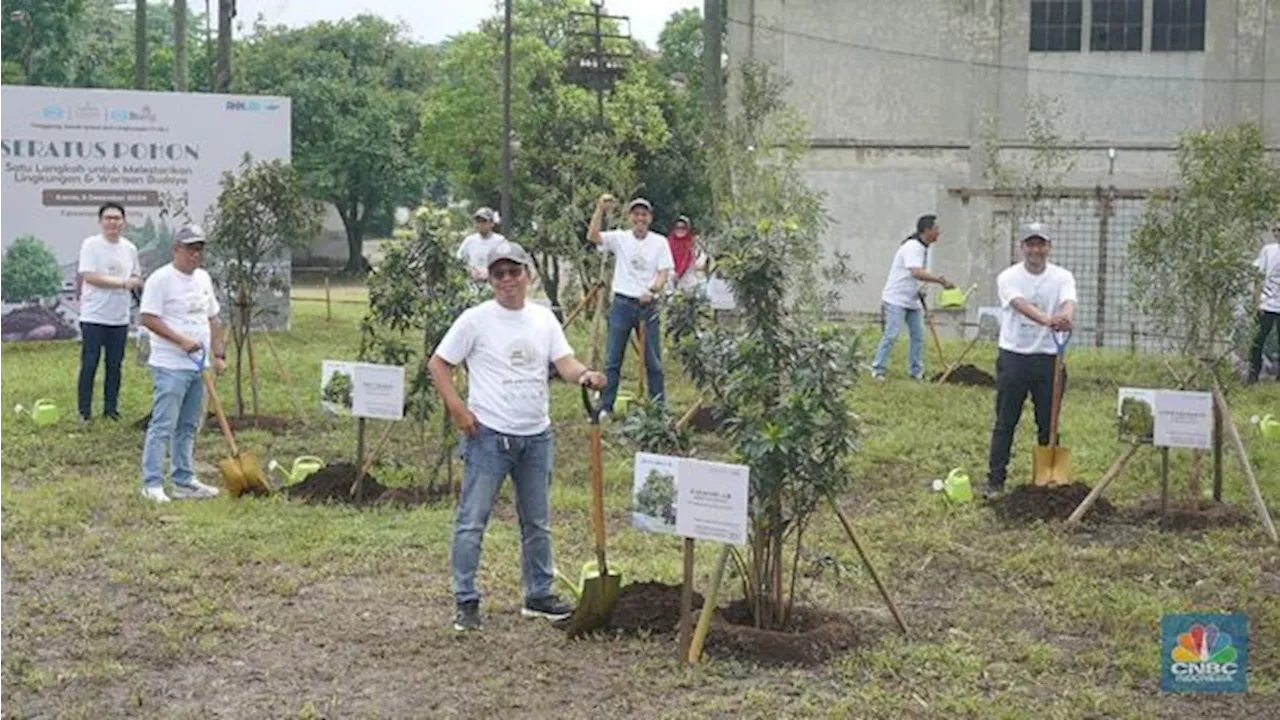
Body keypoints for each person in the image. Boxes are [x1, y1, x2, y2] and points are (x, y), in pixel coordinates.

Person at [428, 240, 606, 632]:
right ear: (490, 280)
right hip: (488, 436)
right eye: (499, 274)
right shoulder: (475, 320)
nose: (508, 280)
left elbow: (564, 361)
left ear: (528, 274)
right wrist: (458, 410)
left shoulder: (543, 319)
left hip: (535, 437)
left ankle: (539, 594)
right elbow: (439, 363)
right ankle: (466, 600)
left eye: (514, 272)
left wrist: (585, 374)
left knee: (537, 522)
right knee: (472, 520)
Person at [984, 223, 1077, 498]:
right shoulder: (1008, 277)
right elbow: (1020, 304)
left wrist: (1067, 317)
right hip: (1014, 357)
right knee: (1005, 421)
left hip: (1049, 358)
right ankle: (995, 481)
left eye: (1041, 244)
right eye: (1030, 244)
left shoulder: (1061, 276)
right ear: (1022, 247)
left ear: (1048, 247)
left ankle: (1047, 483)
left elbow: (1068, 301)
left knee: (1049, 423)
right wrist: (1048, 320)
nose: (1036, 250)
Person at [137, 225, 225, 503]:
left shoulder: (203, 278)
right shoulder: (160, 280)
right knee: (163, 424)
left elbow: (213, 317)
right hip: (170, 365)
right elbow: (148, 318)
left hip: (199, 365)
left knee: (188, 425)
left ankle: (184, 480)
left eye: (199, 249)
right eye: (189, 248)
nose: (195, 254)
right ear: (176, 249)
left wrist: (219, 354)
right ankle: (151, 483)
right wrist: (180, 340)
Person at [587, 195, 674, 415]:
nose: (640, 218)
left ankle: (658, 408)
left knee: (652, 361)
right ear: (629, 217)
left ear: (650, 218)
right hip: (622, 304)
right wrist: (599, 209)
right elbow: (593, 236)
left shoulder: (659, 242)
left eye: (644, 214)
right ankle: (606, 406)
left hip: (647, 306)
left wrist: (652, 290)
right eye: (636, 214)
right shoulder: (620, 238)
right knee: (613, 359)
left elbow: (664, 273)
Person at [76, 202, 142, 422]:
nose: (113, 222)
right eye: (108, 218)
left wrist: (131, 282)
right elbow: (89, 276)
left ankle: (111, 409)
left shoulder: (129, 248)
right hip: (94, 315)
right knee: (90, 363)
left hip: (119, 317)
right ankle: (84, 411)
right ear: (100, 222)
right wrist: (122, 283)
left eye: (117, 218)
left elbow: (136, 277)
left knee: (115, 365)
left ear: (124, 222)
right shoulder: (91, 245)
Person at [870, 214, 953, 380]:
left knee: (918, 336)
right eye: (936, 229)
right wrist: (939, 281)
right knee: (892, 333)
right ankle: (877, 369)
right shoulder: (912, 247)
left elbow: (918, 274)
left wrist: (923, 289)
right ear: (927, 230)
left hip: (912, 300)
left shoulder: (925, 249)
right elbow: (916, 272)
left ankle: (916, 372)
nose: (939, 232)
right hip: (896, 298)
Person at [1248, 223, 1280, 382]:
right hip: (1267, 303)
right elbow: (1258, 277)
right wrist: (1256, 302)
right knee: (1258, 339)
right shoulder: (1268, 250)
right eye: (1275, 230)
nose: (1276, 233)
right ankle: (1253, 374)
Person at [456, 207, 508, 285]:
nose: (480, 224)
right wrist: (470, 270)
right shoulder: (469, 240)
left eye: (484, 221)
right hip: (472, 285)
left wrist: (490, 272)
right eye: (478, 221)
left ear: (492, 223)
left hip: (494, 283)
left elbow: (506, 261)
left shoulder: (500, 241)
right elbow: (459, 259)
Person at [666, 215, 701, 294]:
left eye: (683, 228)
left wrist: (678, 274)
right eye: (677, 227)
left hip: (687, 275)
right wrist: (673, 273)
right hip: (670, 273)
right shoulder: (668, 241)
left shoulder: (691, 243)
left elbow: (688, 260)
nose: (680, 230)